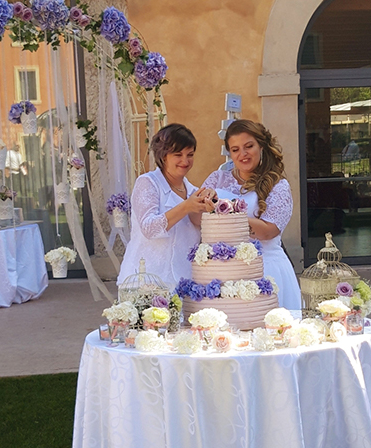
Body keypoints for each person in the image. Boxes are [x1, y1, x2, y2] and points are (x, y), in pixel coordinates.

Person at [203, 119, 302, 310]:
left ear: (261, 146)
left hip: (266, 270)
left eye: (249, 146)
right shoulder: (217, 178)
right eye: (235, 149)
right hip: (224, 272)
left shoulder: (278, 186)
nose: (243, 154)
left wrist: (223, 211)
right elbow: (195, 218)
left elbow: (268, 231)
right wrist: (201, 203)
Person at [117, 123, 214, 290]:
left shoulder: (193, 191)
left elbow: (199, 230)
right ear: (163, 156)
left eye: (190, 154)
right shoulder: (148, 183)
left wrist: (210, 209)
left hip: (183, 285)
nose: (185, 161)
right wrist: (186, 207)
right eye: (178, 154)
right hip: (144, 283)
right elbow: (149, 228)